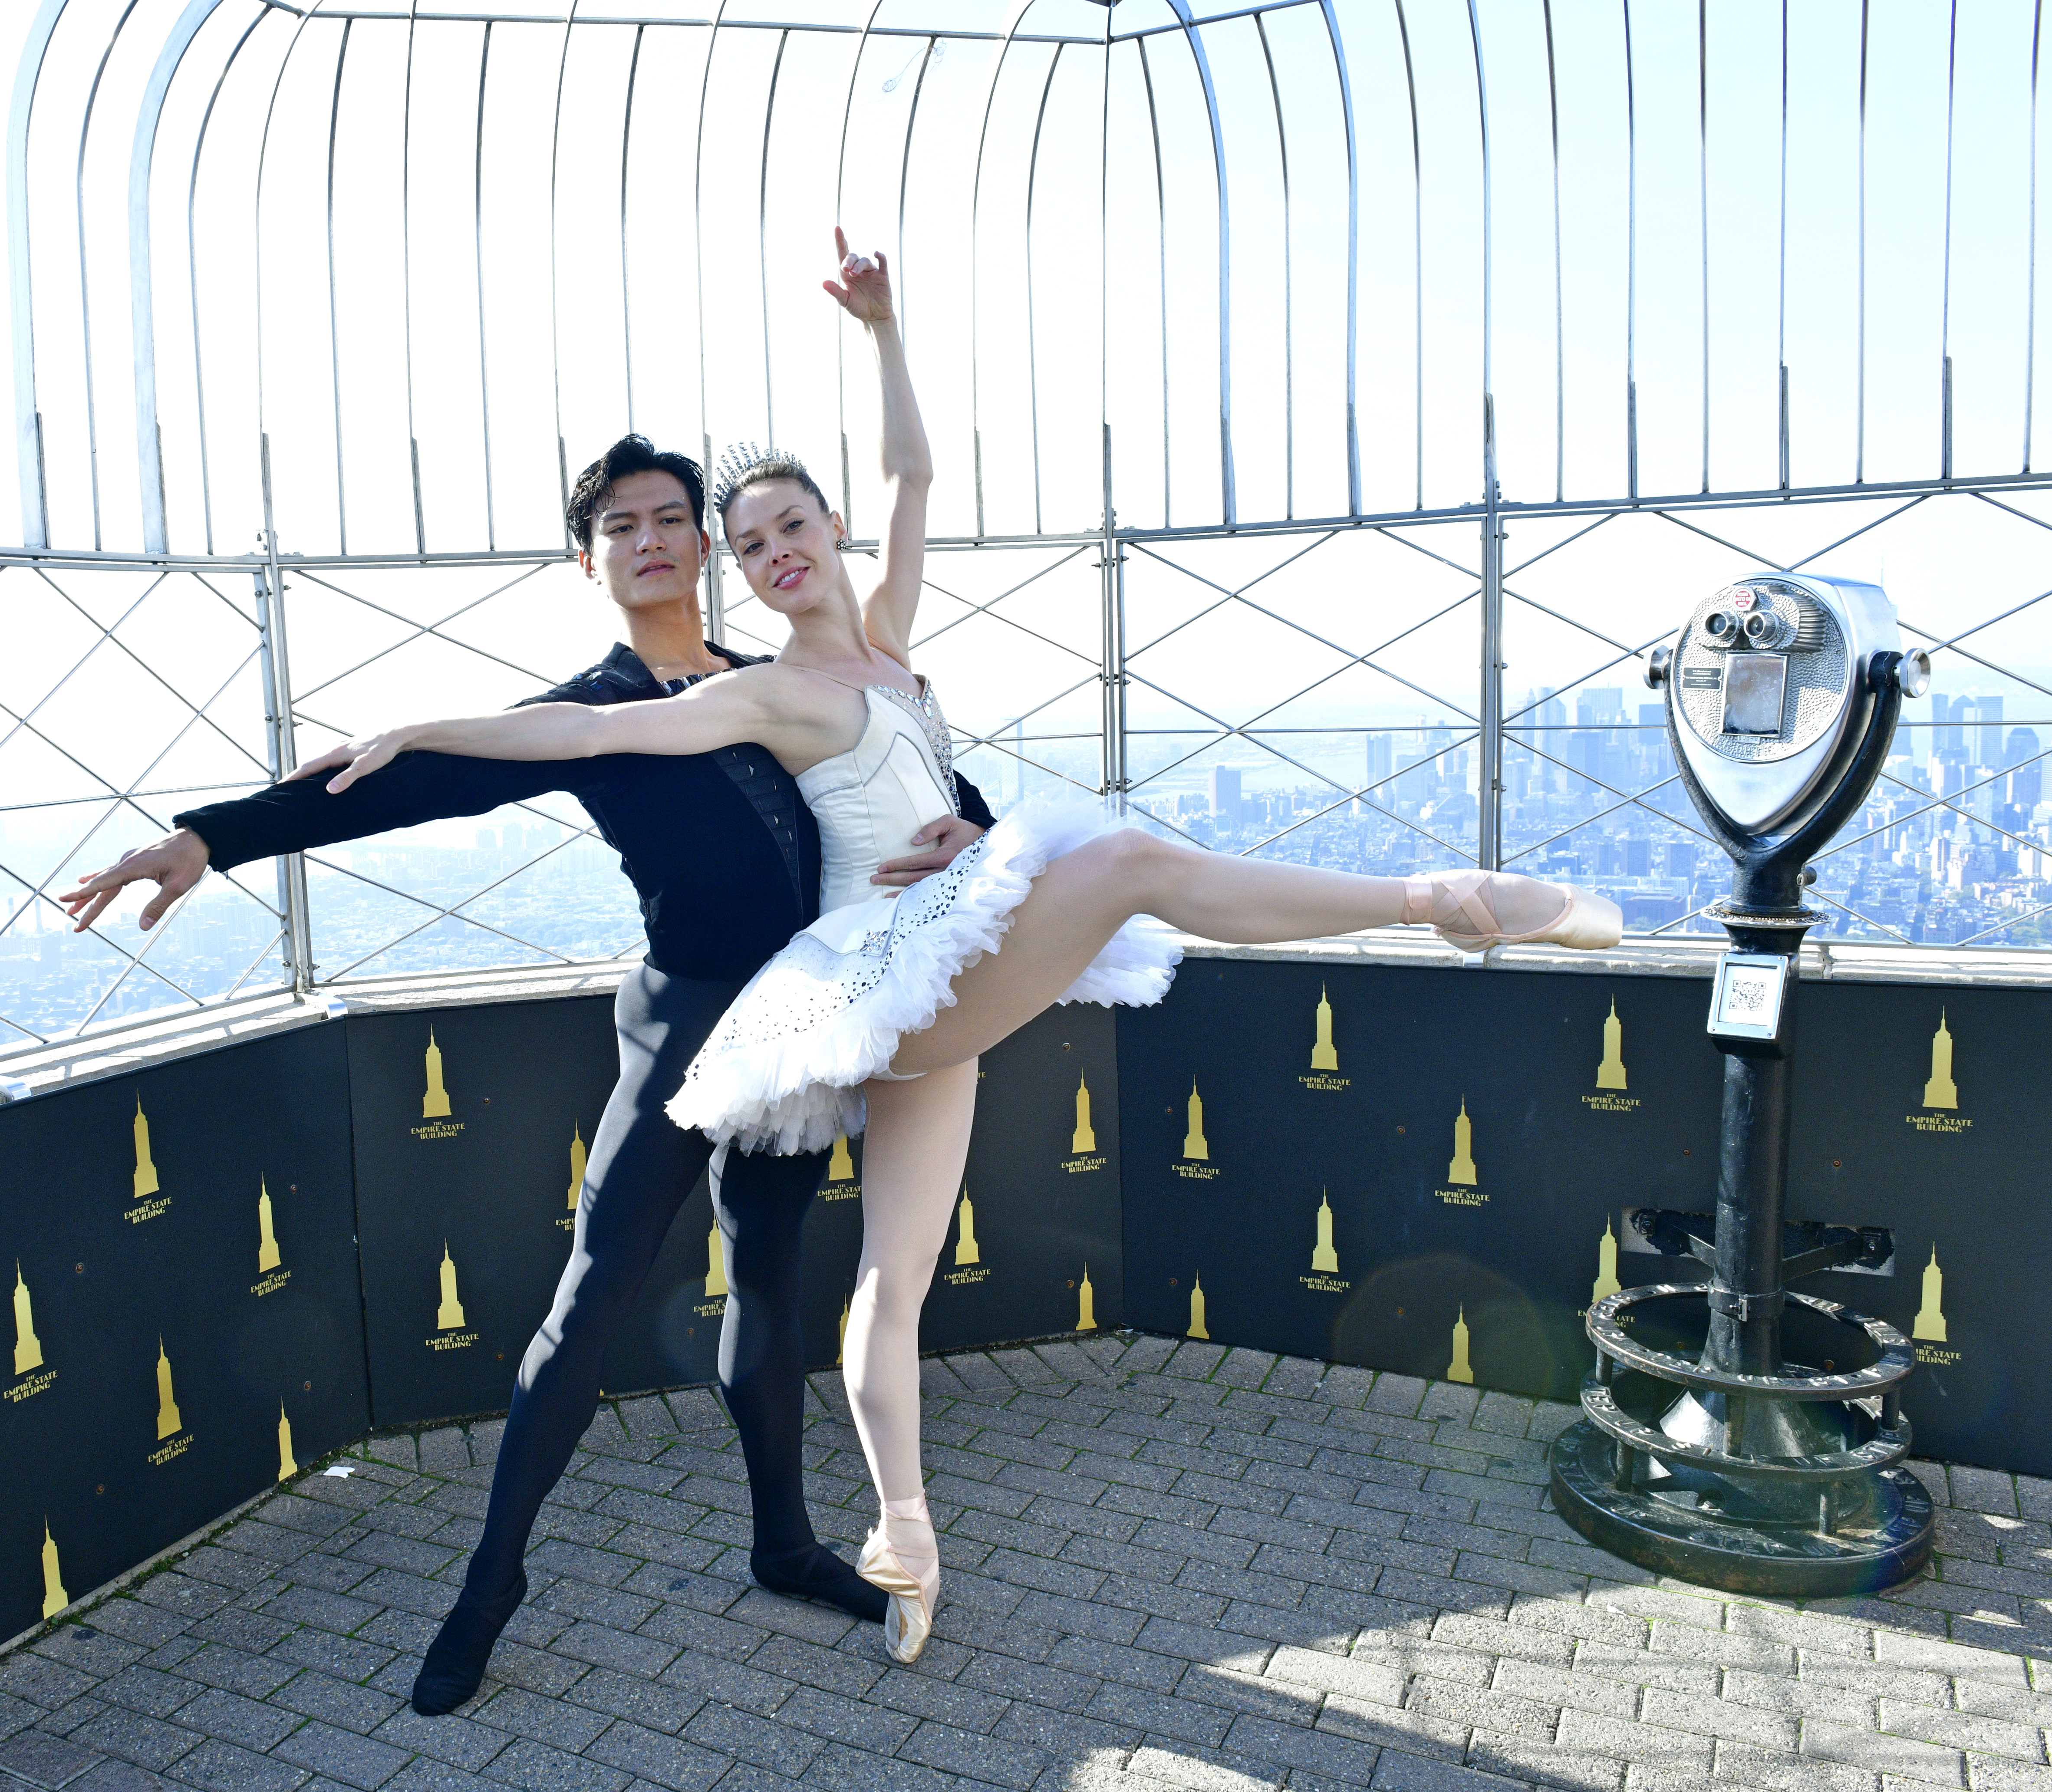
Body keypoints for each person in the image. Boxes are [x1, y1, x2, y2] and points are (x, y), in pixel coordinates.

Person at [294, 229, 1624, 1667]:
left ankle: (905, 1536)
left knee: (893, 1280)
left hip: (947, 945)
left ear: (830, 536)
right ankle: (1435, 901)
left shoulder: (885, 643)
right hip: (887, 974)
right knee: (1123, 863)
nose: (771, 553)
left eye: (790, 526)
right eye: (747, 547)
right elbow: (596, 728)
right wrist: (422, 726)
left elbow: (915, 477)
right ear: (737, 577)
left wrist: (883, 333)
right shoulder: (772, 694)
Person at [57, 435, 1008, 1714]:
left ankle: (783, 1543)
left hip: (804, 1032)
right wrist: (210, 837)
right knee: (593, 1303)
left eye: (676, 517)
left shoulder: (778, 678)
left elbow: (916, 777)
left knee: (772, 1290)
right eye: (624, 525)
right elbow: (406, 788)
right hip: (682, 1037)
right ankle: (489, 1587)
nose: (655, 538)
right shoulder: (596, 712)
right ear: (590, 558)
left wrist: (978, 828)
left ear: (709, 548)